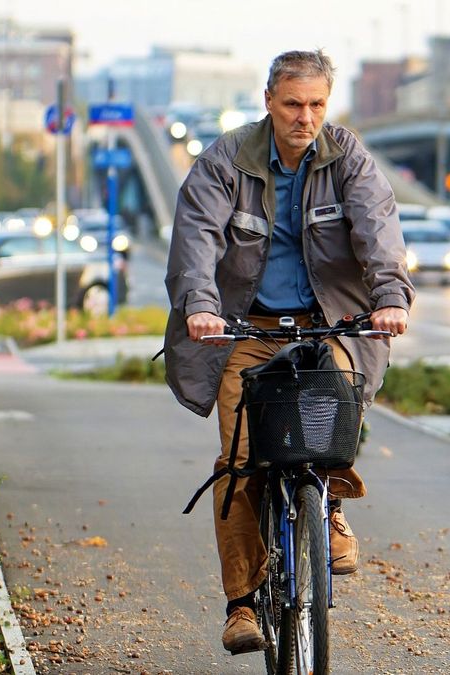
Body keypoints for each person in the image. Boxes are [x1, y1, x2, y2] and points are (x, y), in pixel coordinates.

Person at [162, 49, 414, 655]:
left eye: (317, 105)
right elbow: (195, 239)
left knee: (337, 411)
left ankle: (326, 507)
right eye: (294, 104)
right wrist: (200, 305)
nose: (306, 117)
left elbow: (378, 230)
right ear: (269, 102)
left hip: (327, 325)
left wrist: (390, 297)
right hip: (244, 331)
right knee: (239, 462)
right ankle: (242, 603)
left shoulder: (347, 156)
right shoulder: (227, 159)